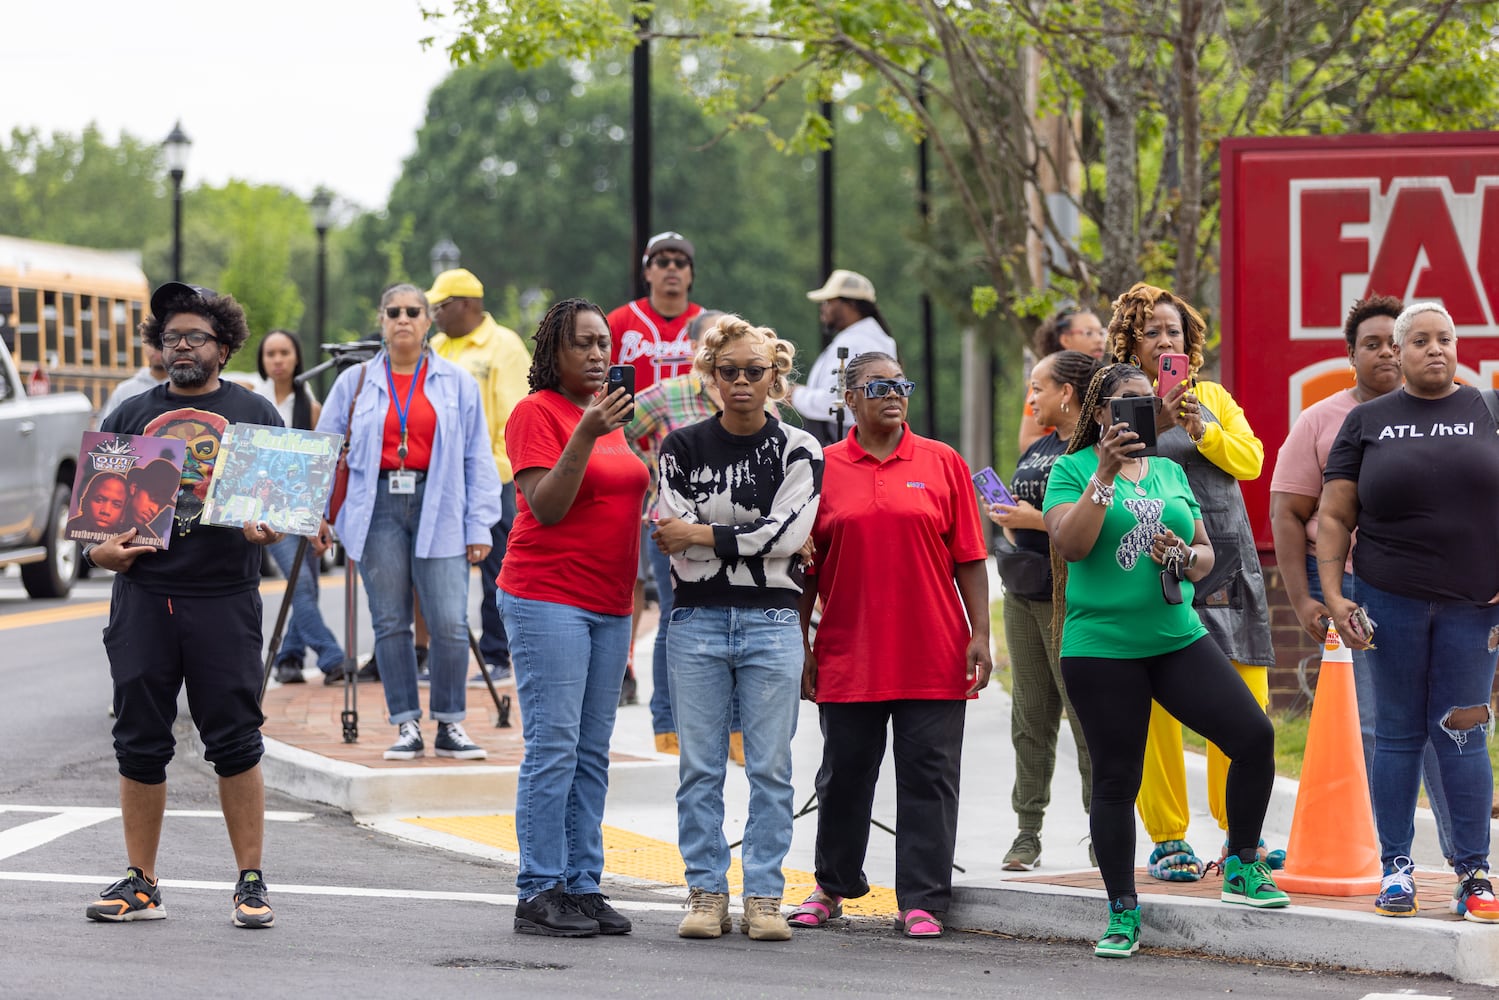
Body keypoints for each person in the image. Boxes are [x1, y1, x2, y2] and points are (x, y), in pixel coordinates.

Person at [1043, 362, 1288, 959]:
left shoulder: (1172, 471)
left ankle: (1243, 864)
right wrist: (1102, 473)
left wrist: (1185, 556)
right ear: (1100, 414)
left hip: (1176, 636)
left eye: (1146, 402)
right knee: (1118, 777)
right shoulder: (1070, 470)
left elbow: (1204, 555)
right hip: (1102, 649)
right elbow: (1071, 545)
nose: (1137, 411)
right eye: (1124, 403)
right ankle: (1123, 910)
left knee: (1253, 736)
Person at [84, 281, 287, 929]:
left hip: (224, 597)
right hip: (143, 596)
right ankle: (140, 881)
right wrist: (103, 555)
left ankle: (250, 881)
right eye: (170, 336)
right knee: (139, 741)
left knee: (234, 739)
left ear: (223, 347)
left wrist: (269, 528)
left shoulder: (254, 414)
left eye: (194, 336)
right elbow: (97, 529)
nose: (180, 346)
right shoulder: (131, 415)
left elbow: (279, 513)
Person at [791, 351, 988, 940]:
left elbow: (970, 558)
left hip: (933, 650)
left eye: (901, 384)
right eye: (878, 386)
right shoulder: (821, 468)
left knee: (930, 775)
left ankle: (923, 898)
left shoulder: (942, 461)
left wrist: (981, 633)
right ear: (849, 399)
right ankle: (832, 885)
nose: (893, 394)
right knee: (844, 773)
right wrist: (800, 642)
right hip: (849, 652)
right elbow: (804, 568)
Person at [1317, 301, 1499, 923]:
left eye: (1444, 339)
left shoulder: (1489, 411)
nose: (1434, 349)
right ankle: (1396, 868)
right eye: (1418, 340)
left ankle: (1474, 872)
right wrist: (1335, 595)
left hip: (1473, 610)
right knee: (1395, 736)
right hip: (1386, 602)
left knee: (1465, 731)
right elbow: (1335, 515)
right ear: (1398, 350)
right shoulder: (1368, 421)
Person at [1268, 295, 1455, 864]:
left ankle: (1462, 856)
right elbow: (1288, 510)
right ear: (1351, 355)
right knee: (1378, 723)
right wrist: (1303, 597)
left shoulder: (1453, 415)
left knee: (1444, 725)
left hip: (1440, 594)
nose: (1385, 354)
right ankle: (1380, 851)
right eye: (1369, 345)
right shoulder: (1324, 420)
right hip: (1354, 590)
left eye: (1391, 344)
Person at [655, 315, 822, 942]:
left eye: (757, 371)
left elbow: (792, 535)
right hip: (695, 620)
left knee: (771, 767)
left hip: (773, 621)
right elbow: (679, 549)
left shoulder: (800, 448)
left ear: (775, 376)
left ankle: (763, 897)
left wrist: (704, 533)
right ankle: (704, 892)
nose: (744, 382)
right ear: (710, 376)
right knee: (699, 767)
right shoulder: (681, 447)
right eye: (730, 372)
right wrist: (754, 545)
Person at [1106, 281, 1279, 881]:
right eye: (1151, 331)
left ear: (1189, 341)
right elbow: (1119, 469)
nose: (1163, 340)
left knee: (1244, 690)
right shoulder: (1121, 400)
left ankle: (1241, 829)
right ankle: (1167, 835)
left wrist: (1200, 425)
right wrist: (1148, 412)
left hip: (1223, 558)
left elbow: (1251, 461)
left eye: (1173, 332)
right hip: (1150, 564)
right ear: (1130, 339)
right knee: (1157, 704)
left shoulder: (1210, 396)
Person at [500, 297, 647, 938]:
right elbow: (549, 507)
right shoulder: (538, 413)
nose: (597, 354)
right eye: (583, 343)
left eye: (604, 344)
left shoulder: (611, 417)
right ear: (552, 352)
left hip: (609, 603)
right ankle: (538, 889)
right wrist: (584, 433)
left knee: (592, 753)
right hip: (547, 597)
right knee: (554, 749)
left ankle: (583, 885)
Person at [317, 284, 501, 761]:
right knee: (391, 620)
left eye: (413, 311)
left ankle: (450, 722)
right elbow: (324, 448)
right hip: (375, 503)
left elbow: (477, 456)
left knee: (449, 620)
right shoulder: (354, 382)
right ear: (381, 319)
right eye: (394, 311)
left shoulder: (457, 383)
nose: (403, 319)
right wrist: (316, 513)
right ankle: (405, 724)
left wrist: (480, 525)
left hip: (439, 499)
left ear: (427, 321)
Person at [987, 350, 1100, 871]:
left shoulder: (1096, 450)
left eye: (1038, 387)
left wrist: (1033, 520)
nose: (1031, 398)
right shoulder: (1040, 446)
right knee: (1029, 717)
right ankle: (1026, 832)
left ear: (1068, 393)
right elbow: (1029, 518)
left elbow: (1088, 522)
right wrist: (1010, 519)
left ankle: (1103, 832)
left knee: (1085, 717)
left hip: (1070, 596)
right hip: (1023, 590)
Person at [624, 308, 741, 757]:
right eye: (713, 339)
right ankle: (668, 727)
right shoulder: (667, 395)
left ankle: (735, 732)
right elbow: (617, 435)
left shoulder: (751, 392)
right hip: (673, 531)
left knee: (738, 624)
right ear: (694, 348)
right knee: (679, 620)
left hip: (736, 531)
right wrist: (650, 477)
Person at [607, 231, 705, 704]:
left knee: (671, 587)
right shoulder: (622, 322)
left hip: (688, 481)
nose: (671, 269)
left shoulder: (707, 326)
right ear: (647, 269)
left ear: (690, 272)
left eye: (680, 261)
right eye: (661, 260)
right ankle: (621, 666)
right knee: (627, 574)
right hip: (631, 466)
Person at [427, 268, 531, 684]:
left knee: (495, 566)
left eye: (442, 305)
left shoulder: (503, 345)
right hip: (442, 479)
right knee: (442, 565)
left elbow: (513, 414)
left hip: (493, 476)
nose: (434, 313)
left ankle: (498, 654)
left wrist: (501, 472)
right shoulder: (435, 346)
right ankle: (438, 653)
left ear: (468, 304)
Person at [254, 329, 345, 685]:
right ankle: (331, 655)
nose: (277, 360)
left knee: (304, 585)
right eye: (270, 353)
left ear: (297, 358)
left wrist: (318, 517)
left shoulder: (313, 407)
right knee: (303, 586)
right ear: (262, 360)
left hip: (303, 508)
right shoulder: (252, 401)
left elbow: (320, 469)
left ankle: (289, 658)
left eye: (284, 352)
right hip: (266, 509)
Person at [790, 270, 897, 445]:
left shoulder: (855, 343)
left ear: (851, 304)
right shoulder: (875, 338)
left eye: (829, 301)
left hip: (842, 441)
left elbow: (834, 402)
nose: (823, 308)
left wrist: (794, 394)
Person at [1018, 306, 1108, 452]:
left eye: (1101, 333)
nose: (1099, 340)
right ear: (1066, 339)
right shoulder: (1044, 381)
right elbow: (1027, 441)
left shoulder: (1107, 377)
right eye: (1088, 333)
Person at [99, 344, 168, 421]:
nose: (156, 348)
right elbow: (105, 429)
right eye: (151, 342)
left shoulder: (182, 389)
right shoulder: (124, 390)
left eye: (163, 341)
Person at [122, 459, 181, 543]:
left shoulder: (151, 543)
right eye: (153, 499)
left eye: (161, 506)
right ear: (134, 487)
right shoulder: (102, 522)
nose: (155, 510)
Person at [67, 471, 127, 539]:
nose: (105, 511)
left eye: (116, 505)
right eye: (99, 500)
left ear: (124, 512)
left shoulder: (130, 536)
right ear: (85, 501)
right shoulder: (71, 528)